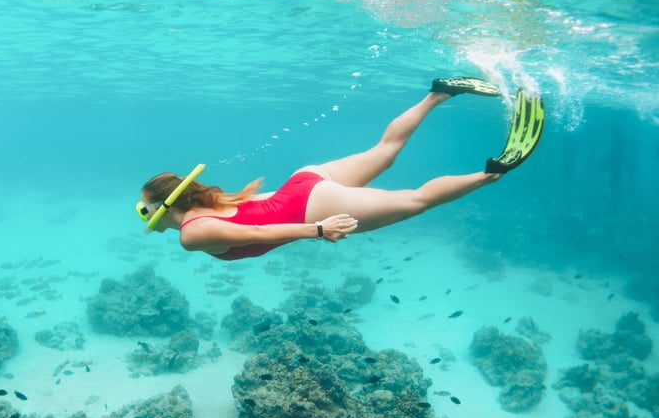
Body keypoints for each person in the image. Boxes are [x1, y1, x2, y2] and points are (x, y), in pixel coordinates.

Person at [137, 77, 544, 261]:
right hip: (304, 184)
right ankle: (438, 93)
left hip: (313, 209)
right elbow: (260, 210)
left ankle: (494, 171)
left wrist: (318, 229)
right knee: (385, 151)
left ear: (163, 207)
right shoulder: (211, 201)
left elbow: (259, 231)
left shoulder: (192, 234)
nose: (145, 217)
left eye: (144, 209)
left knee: (417, 200)